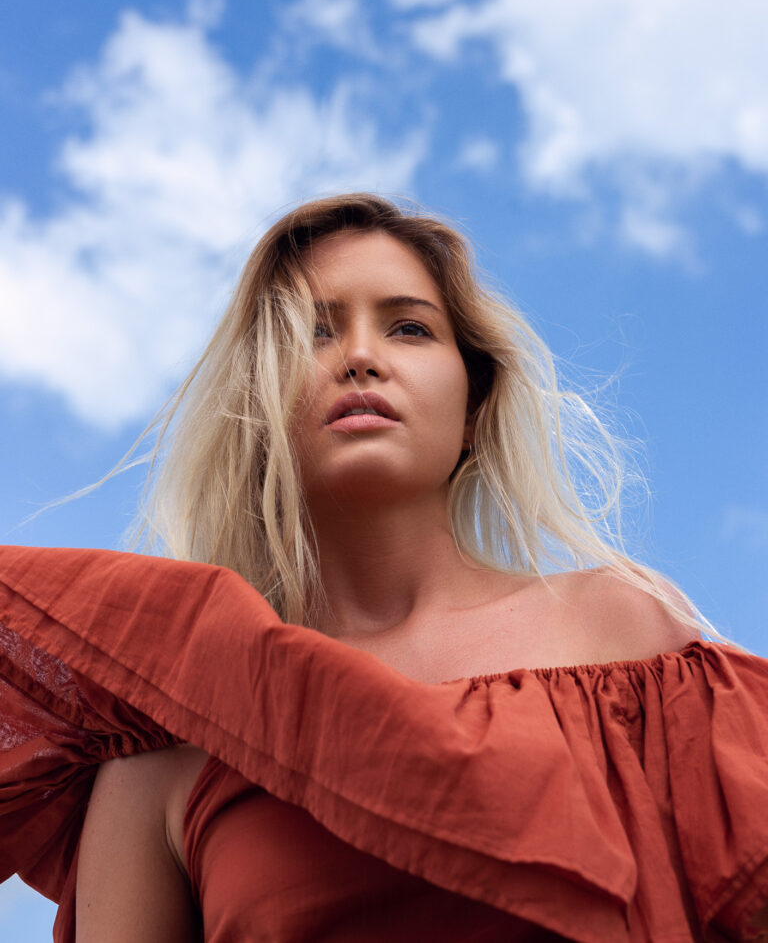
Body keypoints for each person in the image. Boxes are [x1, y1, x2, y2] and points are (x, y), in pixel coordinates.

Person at [0, 192, 766, 942]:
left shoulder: (621, 628)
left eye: (409, 327)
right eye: (313, 332)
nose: (361, 357)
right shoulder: (165, 740)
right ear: (258, 407)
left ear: (472, 406)